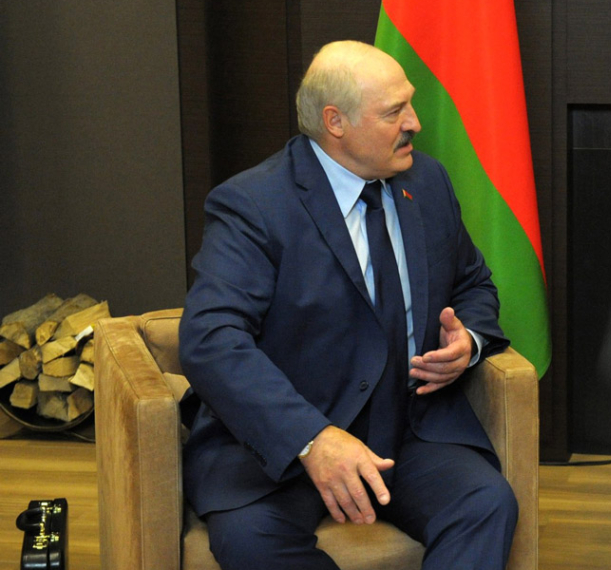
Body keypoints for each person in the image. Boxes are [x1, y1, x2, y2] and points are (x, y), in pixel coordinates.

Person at [178, 40, 517, 570]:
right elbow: (211, 340)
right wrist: (311, 440)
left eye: (410, 104)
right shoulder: (253, 205)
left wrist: (467, 341)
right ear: (335, 123)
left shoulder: (426, 182)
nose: (415, 123)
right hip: (289, 442)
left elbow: (473, 284)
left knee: (486, 503)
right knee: (250, 540)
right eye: (394, 112)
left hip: (408, 429)